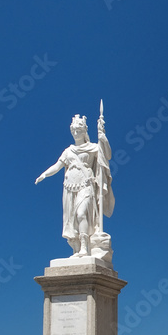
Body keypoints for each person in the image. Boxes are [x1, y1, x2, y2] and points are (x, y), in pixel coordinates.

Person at [35, 111, 114, 259]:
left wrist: (103, 138)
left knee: (81, 213)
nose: (76, 133)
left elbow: (106, 155)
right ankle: (77, 249)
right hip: (70, 187)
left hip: (86, 185)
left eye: (79, 130)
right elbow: (57, 166)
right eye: (74, 131)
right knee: (72, 220)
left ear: (84, 131)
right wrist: (44, 174)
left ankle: (85, 247)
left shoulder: (92, 147)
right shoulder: (68, 151)